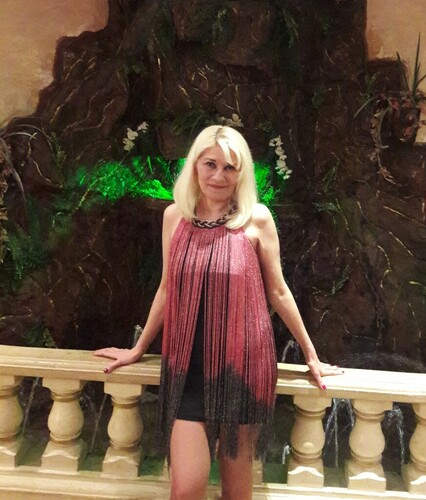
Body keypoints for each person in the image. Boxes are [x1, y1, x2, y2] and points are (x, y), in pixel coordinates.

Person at [94, 125, 343, 500]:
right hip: (187, 367)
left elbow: (278, 291)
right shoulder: (174, 217)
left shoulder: (256, 219)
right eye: (210, 164)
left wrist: (311, 355)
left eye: (230, 167)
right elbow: (167, 288)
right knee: (186, 489)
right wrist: (138, 348)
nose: (219, 176)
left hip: (242, 366)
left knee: (236, 493)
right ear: (194, 165)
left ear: (241, 173)